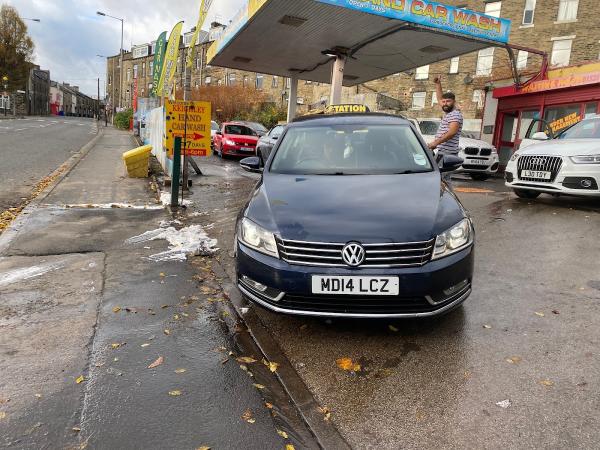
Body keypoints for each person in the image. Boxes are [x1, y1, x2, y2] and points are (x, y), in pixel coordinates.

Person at [427, 77, 463, 181]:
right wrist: (438, 84)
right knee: (443, 180)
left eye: (448, 101)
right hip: (443, 152)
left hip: (448, 154)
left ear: (454, 102)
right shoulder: (449, 113)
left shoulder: (455, 114)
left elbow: (452, 132)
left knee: (440, 180)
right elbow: (440, 98)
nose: (445, 103)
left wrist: (435, 143)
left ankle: (445, 197)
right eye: (444, 102)